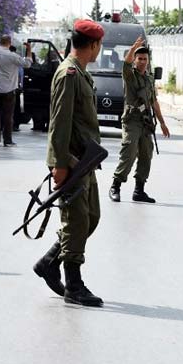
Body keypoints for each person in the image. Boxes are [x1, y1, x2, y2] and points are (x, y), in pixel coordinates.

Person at [33, 19, 105, 307]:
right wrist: (59, 165)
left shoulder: (82, 74)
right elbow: (59, 123)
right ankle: (73, 284)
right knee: (75, 221)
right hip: (71, 161)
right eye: (100, 45)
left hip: (85, 161)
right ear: (94, 45)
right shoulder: (69, 74)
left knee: (91, 218)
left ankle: (49, 261)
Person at [108, 37, 170, 204]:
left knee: (146, 154)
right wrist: (133, 47)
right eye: (139, 58)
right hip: (132, 120)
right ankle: (116, 186)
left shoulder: (149, 79)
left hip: (146, 121)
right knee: (129, 152)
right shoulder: (129, 76)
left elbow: (154, 101)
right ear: (135, 60)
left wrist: (162, 122)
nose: (142, 62)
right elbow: (126, 64)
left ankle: (139, 190)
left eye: (145, 59)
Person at [0, 35, 32, 147]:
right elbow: (27, 64)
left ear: (0, 42)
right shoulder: (12, 56)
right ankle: (7, 140)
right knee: (8, 116)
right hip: (8, 90)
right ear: (9, 43)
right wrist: (29, 50)